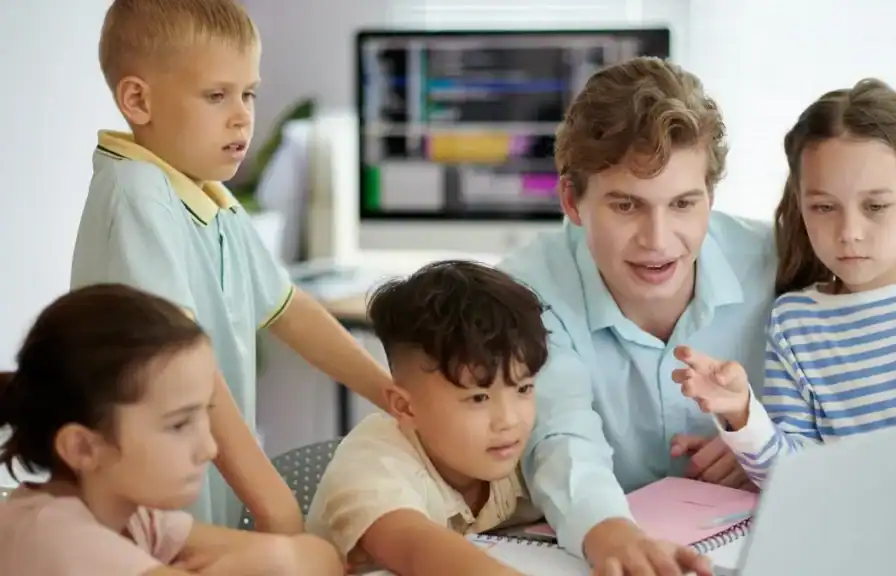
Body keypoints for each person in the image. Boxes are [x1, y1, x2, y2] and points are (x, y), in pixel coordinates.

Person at [70, 0, 392, 532]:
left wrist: (387, 392)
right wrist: (273, 504)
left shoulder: (214, 199)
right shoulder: (136, 197)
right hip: (146, 503)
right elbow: (184, 371)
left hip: (206, 481)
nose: (243, 115)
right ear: (137, 100)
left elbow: (290, 311)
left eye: (248, 94)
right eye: (216, 96)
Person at [499, 56, 774, 575]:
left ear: (710, 198)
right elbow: (560, 435)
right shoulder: (526, 289)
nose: (657, 239)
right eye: (627, 206)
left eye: (683, 204)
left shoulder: (779, 264)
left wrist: (763, 442)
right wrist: (609, 532)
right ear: (572, 202)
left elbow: (844, 405)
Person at [675, 78, 896, 484]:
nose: (849, 232)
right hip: (863, 544)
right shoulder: (796, 322)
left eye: (875, 206)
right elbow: (791, 476)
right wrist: (741, 412)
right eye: (824, 207)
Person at [0, 284, 344, 576]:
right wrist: (266, 561)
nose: (209, 448)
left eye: (205, 413)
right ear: (84, 449)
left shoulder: (139, 520)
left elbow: (321, 558)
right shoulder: (52, 535)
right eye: (179, 424)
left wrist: (273, 559)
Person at [305, 261, 548, 576]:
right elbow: (415, 547)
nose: (509, 420)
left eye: (524, 388)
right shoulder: (372, 463)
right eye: (478, 398)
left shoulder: (527, 441)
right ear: (406, 408)